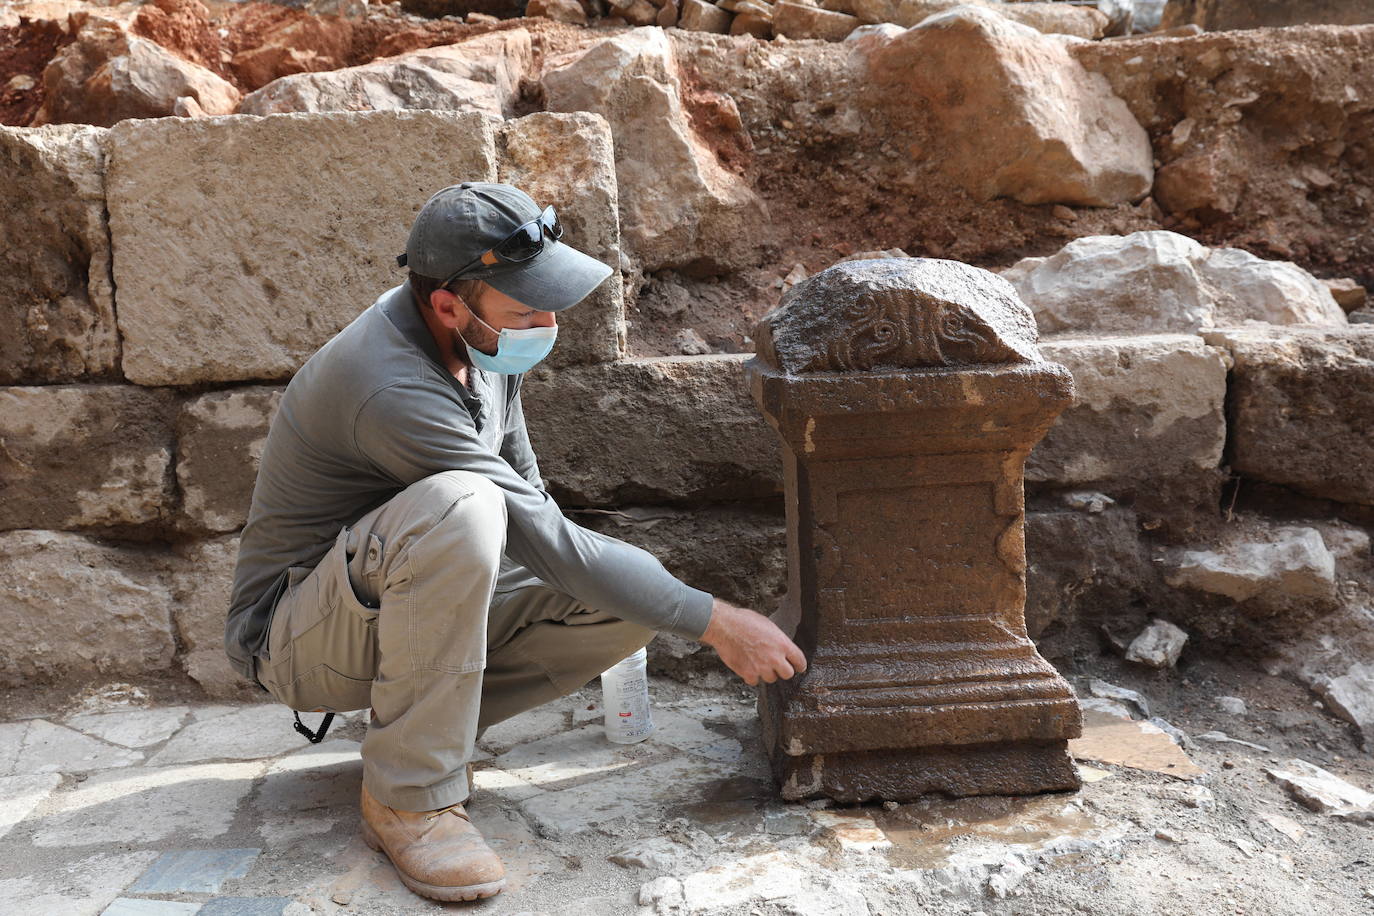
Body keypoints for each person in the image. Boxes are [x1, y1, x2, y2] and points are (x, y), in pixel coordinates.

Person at [224, 182, 806, 902]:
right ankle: (408, 798)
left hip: (379, 611)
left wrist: (678, 605)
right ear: (448, 303)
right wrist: (719, 621)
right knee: (464, 507)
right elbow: (533, 534)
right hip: (298, 643)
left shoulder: (483, 347)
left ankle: (416, 733)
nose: (548, 319)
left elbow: (541, 516)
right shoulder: (387, 384)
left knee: (627, 604)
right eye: (526, 306)